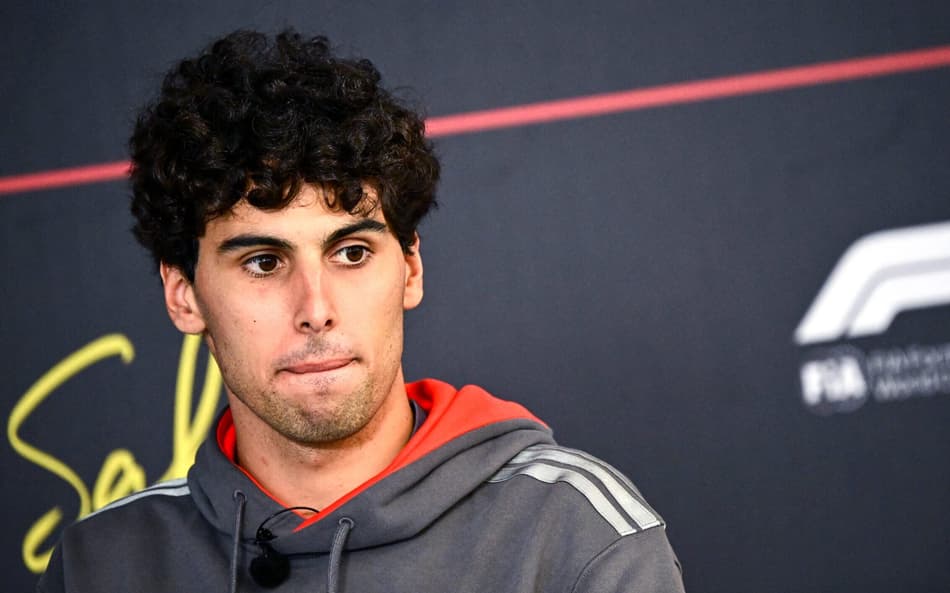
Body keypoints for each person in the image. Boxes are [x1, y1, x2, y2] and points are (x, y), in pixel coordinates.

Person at [38, 29, 685, 593]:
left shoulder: (573, 537)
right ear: (184, 294)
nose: (316, 308)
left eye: (350, 252)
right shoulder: (99, 563)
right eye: (263, 262)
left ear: (410, 268)